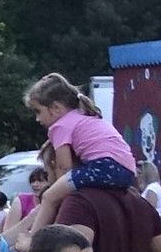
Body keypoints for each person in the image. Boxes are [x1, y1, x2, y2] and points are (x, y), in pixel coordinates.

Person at [23, 72, 139, 230]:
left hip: (103, 166)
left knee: (49, 197)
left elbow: (64, 167)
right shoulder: (84, 116)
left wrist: (60, 191)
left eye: (38, 111)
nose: (37, 119)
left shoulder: (59, 126)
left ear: (56, 108)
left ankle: (35, 239)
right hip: (127, 171)